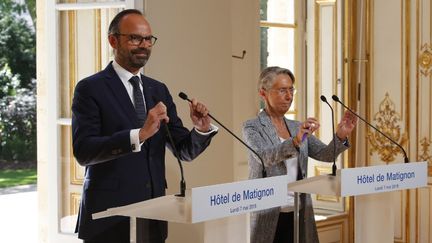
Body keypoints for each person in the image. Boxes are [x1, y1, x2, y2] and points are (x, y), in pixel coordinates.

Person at [72, 9, 218, 243]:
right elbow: (84, 151)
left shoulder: (157, 89)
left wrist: (200, 129)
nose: (144, 45)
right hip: (108, 218)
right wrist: (138, 135)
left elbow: (183, 150)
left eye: (148, 39)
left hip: (153, 215)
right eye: (135, 38)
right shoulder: (90, 89)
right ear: (113, 40)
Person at [242, 66, 357, 243]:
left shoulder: (296, 126)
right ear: (263, 93)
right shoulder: (252, 127)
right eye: (282, 90)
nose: (289, 96)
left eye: (291, 90)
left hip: (299, 210)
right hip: (269, 211)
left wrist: (340, 135)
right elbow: (265, 157)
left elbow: (325, 155)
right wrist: (295, 141)